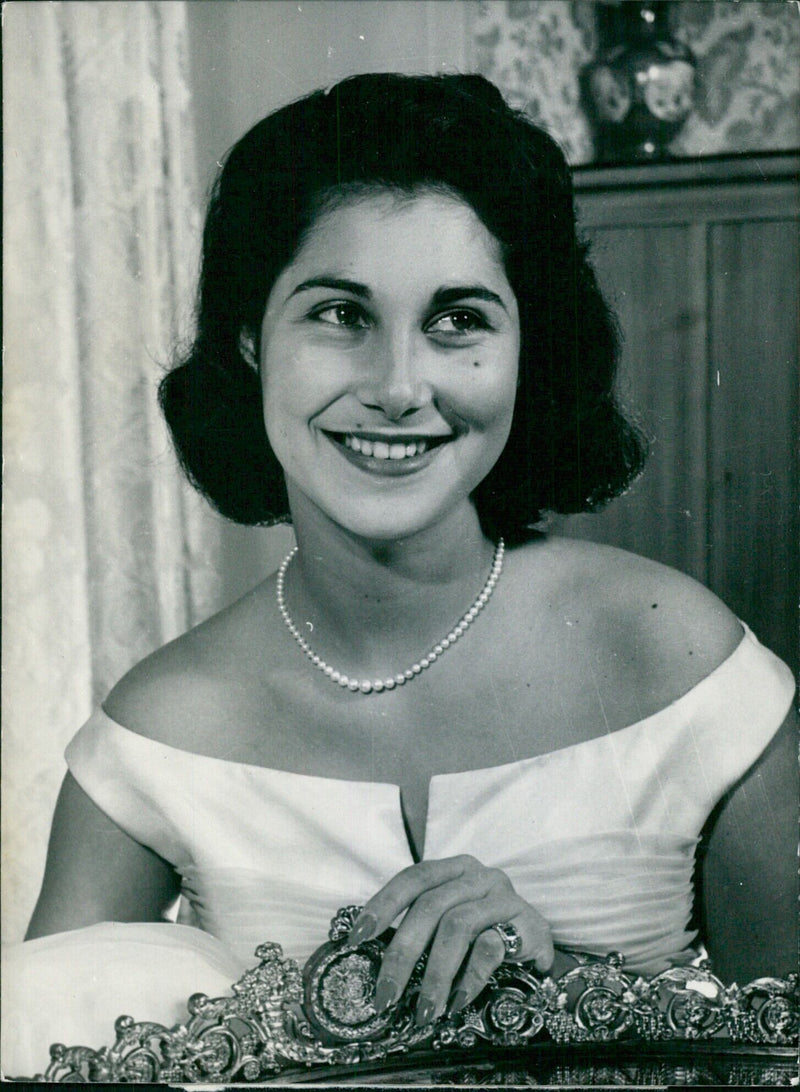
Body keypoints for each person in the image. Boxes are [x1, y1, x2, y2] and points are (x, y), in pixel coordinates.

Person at [5, 73, 796, 1075]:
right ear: (251, 339)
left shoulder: (679, 657)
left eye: (457, 319)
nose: (394, 387)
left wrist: (555, 998)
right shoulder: (156, 734)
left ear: (526, 351)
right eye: (338, 314)